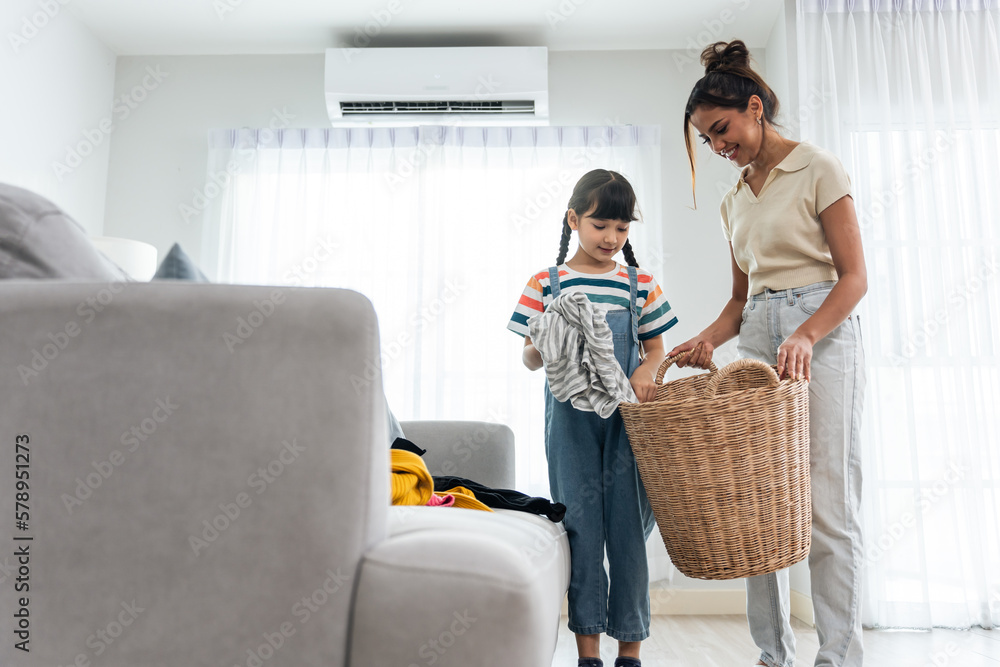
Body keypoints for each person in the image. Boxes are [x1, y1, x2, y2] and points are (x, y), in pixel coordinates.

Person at [672, 41, 868, 667]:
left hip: (821, 333)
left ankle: (839, 656)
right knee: (760, 505)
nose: (718, 146)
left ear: (755, 108)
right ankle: (771, 655)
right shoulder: (734, 201)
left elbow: (855, 277)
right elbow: (739, 300)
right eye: (707, 140)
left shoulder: (818, 168)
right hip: (759, 334)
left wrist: (807, 332)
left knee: (829, 507)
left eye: (722, 130)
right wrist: (708, 338)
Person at [508, 169, 677, 667]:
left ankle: (630, 650)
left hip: (626, 418)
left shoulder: (639, 283)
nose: (611, 238)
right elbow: (528, 357)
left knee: (627, 531)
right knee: (580, 529)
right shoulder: (546, 284)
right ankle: (588, 653)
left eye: (622, 228)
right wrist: (545, 343)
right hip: (569, 419)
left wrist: (646, 376)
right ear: (573, 219)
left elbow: (655, 351)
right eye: (601, 224)